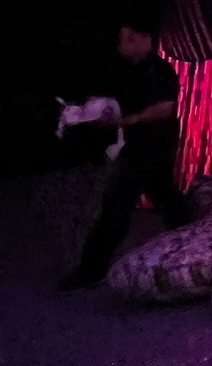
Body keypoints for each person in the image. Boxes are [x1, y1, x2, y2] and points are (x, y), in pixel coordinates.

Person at [58, 20, 191, 291]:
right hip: (138, 144)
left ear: (146, 40)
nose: (124, 44)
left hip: (154, 144)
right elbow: (113, 102)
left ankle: (91, 269)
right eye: (123, 39)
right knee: (164, 194)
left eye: (130, 38)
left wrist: (128, 120)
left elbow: (164, 108)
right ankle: (194, 236)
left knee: (118, 204)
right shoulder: (126, 71)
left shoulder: (160, 71)